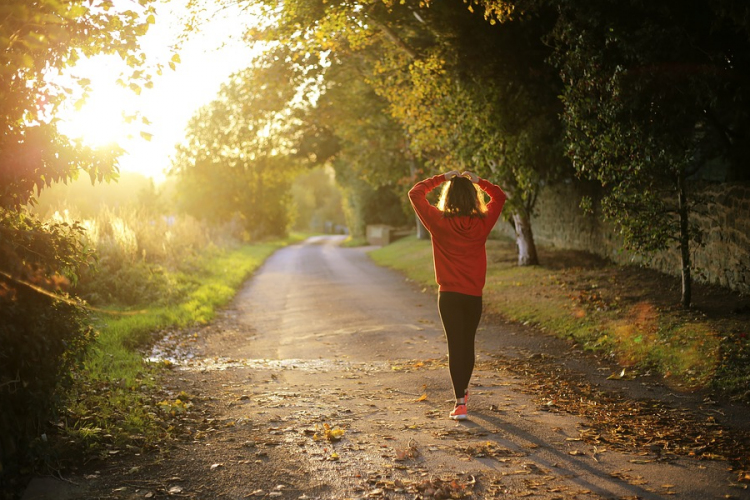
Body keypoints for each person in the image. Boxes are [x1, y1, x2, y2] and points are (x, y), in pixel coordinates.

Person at [408, 170, 506, 420]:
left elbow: (415, 193)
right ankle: (462, 393)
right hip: (473, 295)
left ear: (448, 197)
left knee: (455, 346)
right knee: (467, 344)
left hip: (449, 296)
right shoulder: (483, 222)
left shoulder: (438, 221)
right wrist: (479, 181)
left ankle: (460, 402)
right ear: (473, 198)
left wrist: (442, 178)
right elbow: (500, 196)